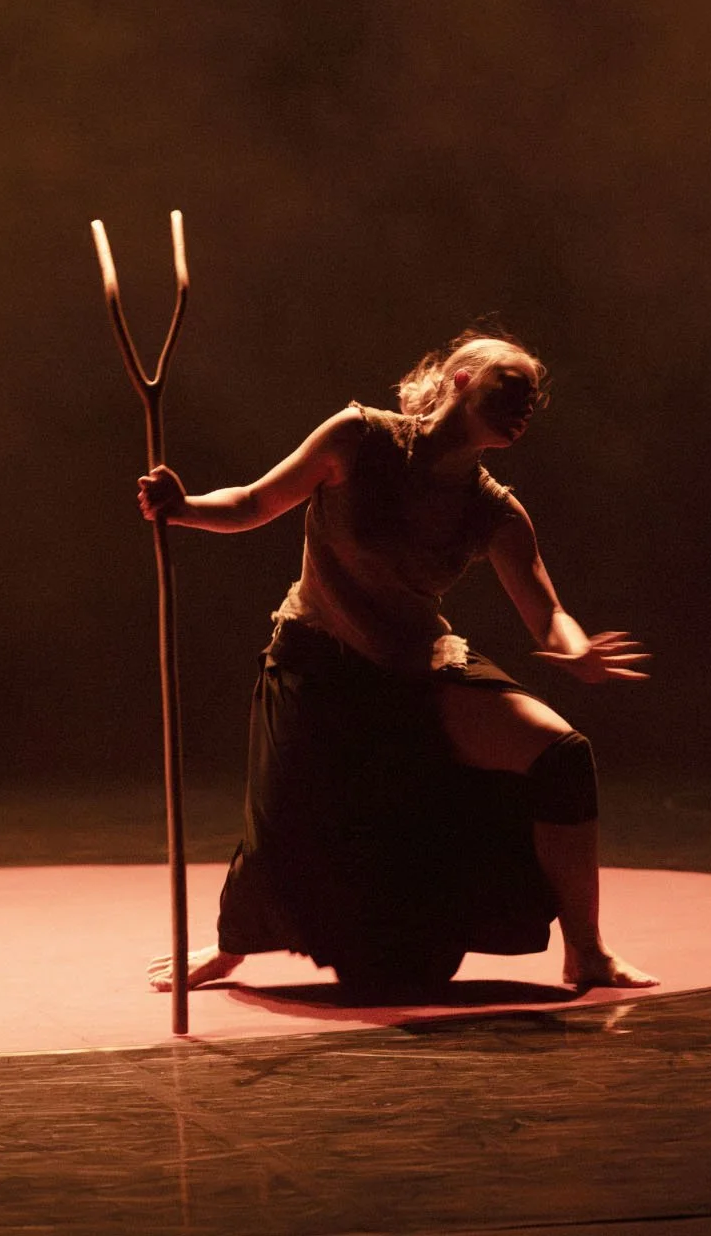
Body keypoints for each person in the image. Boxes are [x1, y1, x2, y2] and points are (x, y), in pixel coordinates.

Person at [140, 329, 657, 1000]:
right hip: (318, 662)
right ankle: (234, 947)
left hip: (415, 665)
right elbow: (252, 502)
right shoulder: (358, 439)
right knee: (282, 827)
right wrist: (182, 509)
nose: (525, 403)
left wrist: (576, 645)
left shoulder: (493, 511)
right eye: (511, 385)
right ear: (462, 381)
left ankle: (587, 953)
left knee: (561, 753)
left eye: (533, 398)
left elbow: (546, 611)